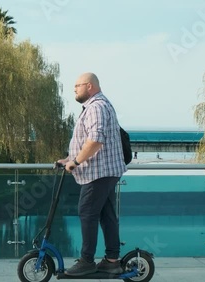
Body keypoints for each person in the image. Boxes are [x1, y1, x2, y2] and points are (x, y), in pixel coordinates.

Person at [57, 72, 127, 276]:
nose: (74, 89)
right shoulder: (98, 105)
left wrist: (76, 162)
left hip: (99, 172)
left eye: (77, 85)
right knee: (106, 215)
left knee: (87, 212)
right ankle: (112, 260)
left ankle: (87, 261)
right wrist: (69, 159)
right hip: (104, 171)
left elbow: (95, 140)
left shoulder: (96, 107)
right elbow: (87, 140)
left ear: (89, 86)